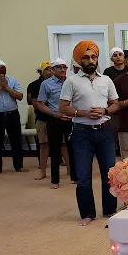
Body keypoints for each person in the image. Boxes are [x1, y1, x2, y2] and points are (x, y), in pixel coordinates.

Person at [59, 40, 121, 226]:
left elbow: (115, 103)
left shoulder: (106, 80)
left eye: (93, 56)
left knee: (109, 174)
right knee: (84, 176)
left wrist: (105, 111)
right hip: (82, 133)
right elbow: (63, 107)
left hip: (104, 132)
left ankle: (110, 210)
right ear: (79, 60)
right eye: (86, 57)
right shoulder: (71, 81)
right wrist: (84, 113)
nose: (90, 60)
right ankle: (87, 214)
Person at [35, 58, 75, 189]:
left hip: (70, 119)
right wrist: (54, 114)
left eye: (64, 67)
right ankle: (55, 180)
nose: (63, 70)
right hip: (54, 119)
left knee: (72, 149)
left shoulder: (71, 81)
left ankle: (74, 176)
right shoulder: (46, 84)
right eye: (59, 67)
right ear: (52, 70)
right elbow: (40, 104)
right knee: (55, 150)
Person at [28, 61, 54, 180]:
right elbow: (35, 104)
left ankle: (69, 170)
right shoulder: (34, 85)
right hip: (43, 118)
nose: (50, 71)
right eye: (47, 69)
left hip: (57, 119)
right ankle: (42, 170)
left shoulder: (59, 83)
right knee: (44, 144)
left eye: (51, 68)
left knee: (63, 145)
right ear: (41, 71)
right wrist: (51, 111)